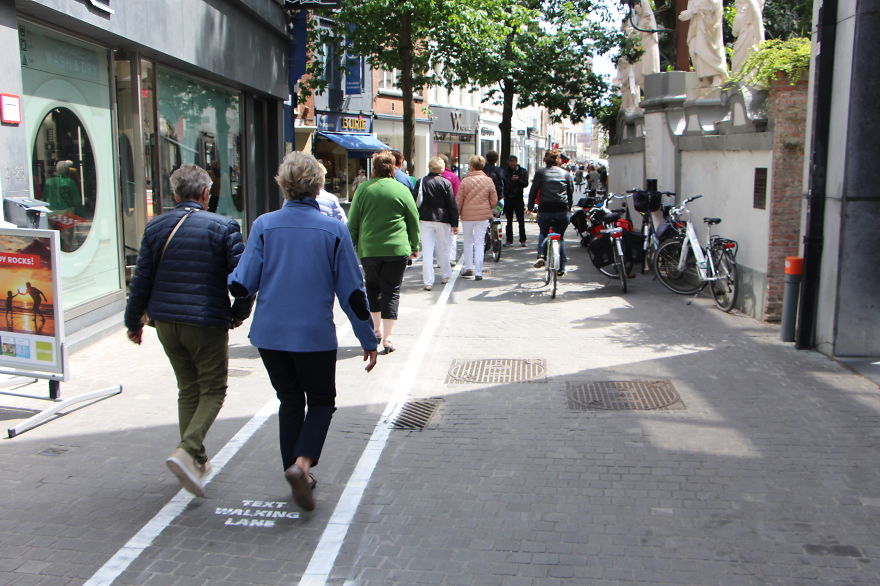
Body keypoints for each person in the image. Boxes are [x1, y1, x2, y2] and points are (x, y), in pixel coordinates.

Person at [228, 152, 377, 512]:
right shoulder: (334, 229)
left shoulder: (264, 225)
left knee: (290, 401)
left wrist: (232, 295)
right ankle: (303, 464)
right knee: (322, 401)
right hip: (313, 335)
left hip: (270, 335)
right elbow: (353, 293)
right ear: (319, 185)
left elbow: (242, 283)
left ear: (283, 184)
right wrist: (368, 339)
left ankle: (294, 470)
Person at [125, 164, 253, 498]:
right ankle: (188, 450)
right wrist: (238, 314)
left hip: (165, 323)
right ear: (206, 194)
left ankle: (195, 461)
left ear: (176, 194)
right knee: (213, 389)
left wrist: (132, 321)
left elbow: (141, 279)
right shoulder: (224, 227)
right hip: (205, 320)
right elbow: (242, 279)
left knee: (188, 389)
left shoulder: (156, 227)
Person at [347, 150, 420, 354]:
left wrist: (347, 248)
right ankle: (388, 338)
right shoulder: (401, 189)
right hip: (397, 248)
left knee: (372, 288)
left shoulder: (363, 190)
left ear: (374, 168)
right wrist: (414, 245)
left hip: (369, 248)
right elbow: (413, 219)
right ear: (394, 167)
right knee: (392, 290)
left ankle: (376, 330)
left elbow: (353, 222)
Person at [414, 157, 458, 291]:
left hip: (425, 218)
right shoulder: (445, 183)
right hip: (442, 219)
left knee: (427, 251)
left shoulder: (421, 181)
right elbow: (452, 204)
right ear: (442, 168)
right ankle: (445, 274)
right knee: (443, 248)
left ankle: (428, 281)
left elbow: (414, 199)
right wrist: (454, 223)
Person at [527, 149, 574, 276]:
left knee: (543, 232)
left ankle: (541, 255)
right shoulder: (566, 174)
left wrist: (530, 207)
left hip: (545, 209)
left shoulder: (540, 173)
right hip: (561, 210)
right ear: (559, 160)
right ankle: (561, 268)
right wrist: (569, 207)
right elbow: (570, 192)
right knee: (560, 237)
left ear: (545, 160)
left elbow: (533, 192)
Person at [456, 155, 498, 281]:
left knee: (468, 241)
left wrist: (457, 213)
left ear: (471, 166)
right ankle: (479, 272)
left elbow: (459, 200)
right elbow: (494, 200)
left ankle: (468, 268)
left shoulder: (465, 181)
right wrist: (488, 207)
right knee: (480, 242)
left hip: (467, 216)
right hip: (483, 216)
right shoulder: (488, 180)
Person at [679, 0, 728, 88]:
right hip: (696, 25)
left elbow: (714, 4)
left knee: (707, 49)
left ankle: (717, 75)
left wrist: (693, 11)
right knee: (695, 49)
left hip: (708, 25)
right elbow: (692, 6)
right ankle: (704, 78)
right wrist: (689, 13)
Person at [438, 153, 461, 265]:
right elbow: (457, 194)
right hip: (450, 209)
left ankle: (440, 260)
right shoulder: (453, 177)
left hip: (436, 211)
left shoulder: (430, 177)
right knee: (452, 235)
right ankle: (451, 258)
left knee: (438, 237)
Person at [504, 155, 529, 247]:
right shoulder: (506, 172)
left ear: (516, 162)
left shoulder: (522, 171)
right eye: (510, 162)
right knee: (508, 220)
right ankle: (509, 239)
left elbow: (525, 183)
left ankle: (523, 240)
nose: (512, 164)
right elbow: (504, 183)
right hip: (508, 198)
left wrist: (518, 180)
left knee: (521, 220)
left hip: (518, 198)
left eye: (513, 162)